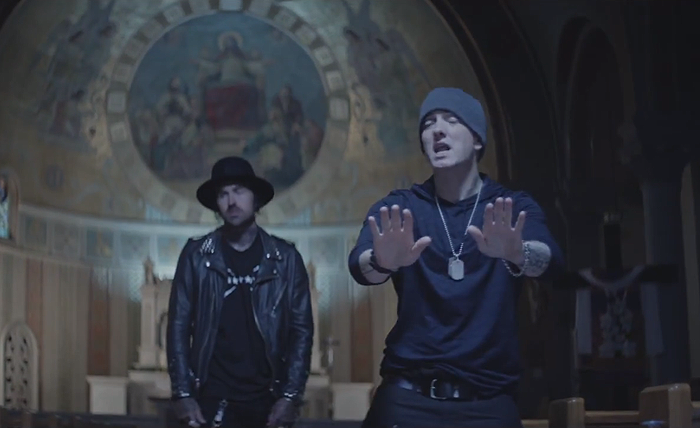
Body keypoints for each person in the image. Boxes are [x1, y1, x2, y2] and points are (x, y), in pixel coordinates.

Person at [348, 87, 565, 428]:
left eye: (451, 120)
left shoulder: (510, 207)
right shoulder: (402, 206)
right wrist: (382, 262)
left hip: (488, 401)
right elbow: (359, 267)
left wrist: (516, 252)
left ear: (477, 139)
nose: (437, 130)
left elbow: (552, 262)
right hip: (408, 396)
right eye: (428, 124)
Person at [167, 156, 313, 428]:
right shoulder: (196, 255)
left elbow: (301, 331)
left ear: (255, 199)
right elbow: (178, 325)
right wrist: (183, 393)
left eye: (239, 191)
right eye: (223, 194)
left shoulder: (286, 258)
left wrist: (290, 396)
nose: (231, 201)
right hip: (211, 398)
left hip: (267, 399)